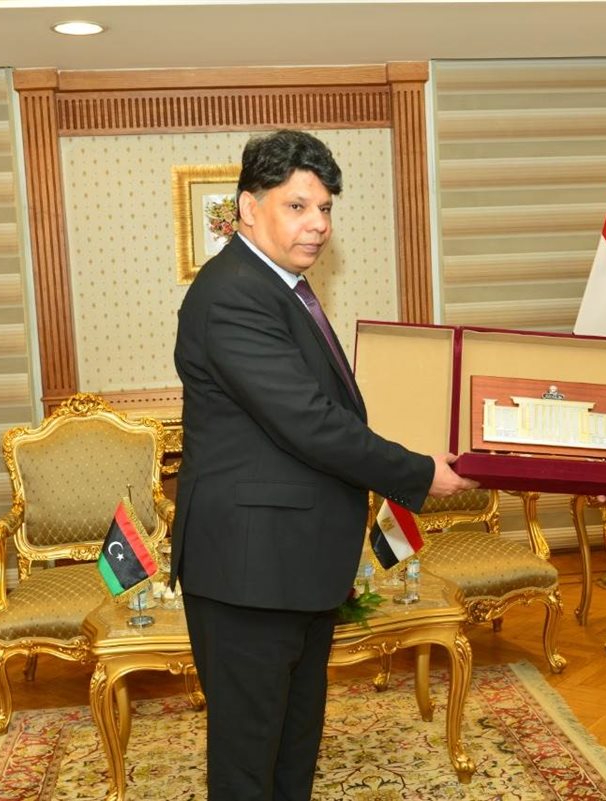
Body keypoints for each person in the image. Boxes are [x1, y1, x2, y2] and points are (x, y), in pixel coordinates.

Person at [171, 129, 478, 801]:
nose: (318, 224)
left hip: (291, 566)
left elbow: (324, 415)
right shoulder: (233, 293)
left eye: (326, 208)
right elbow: (308, 422)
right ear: (249, 207)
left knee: (292, 747)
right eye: (298, 206)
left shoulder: (282, 288)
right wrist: (417, 472)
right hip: (250, 572)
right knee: (249, 761)